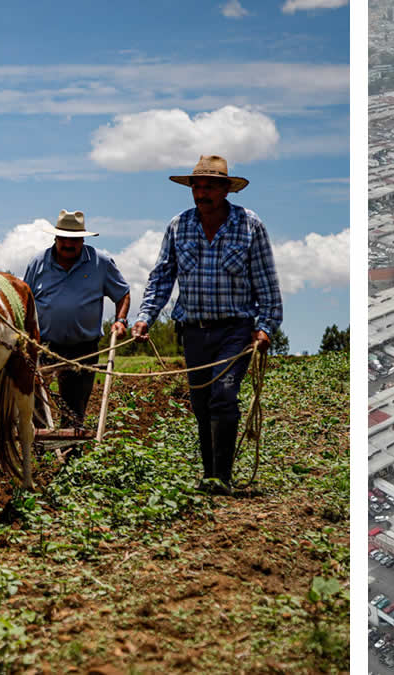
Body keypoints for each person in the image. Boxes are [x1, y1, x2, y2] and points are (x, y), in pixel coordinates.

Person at [131, 155, 282, 494]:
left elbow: (267, 280)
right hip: (195, 330)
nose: (202, 193)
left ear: (226, 189)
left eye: (210, 186)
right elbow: (162, 277)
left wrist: (267, 326)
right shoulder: (178, 226)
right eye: (197, 186)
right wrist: (144, 318)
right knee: (201, 404)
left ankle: (222, 477)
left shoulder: (248, 225)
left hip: (236, 329)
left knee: (224, 396)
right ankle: (210, 474)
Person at [24, 210, 131, 429]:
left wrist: (121, 320)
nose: (68, 244)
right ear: (55, 238)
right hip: (44, 345)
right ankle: (42, 452)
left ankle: (72, 455)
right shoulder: (38, 263)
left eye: (74, 240)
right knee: (36, 402)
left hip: (83, 349)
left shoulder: (100, 262)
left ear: (83, 240)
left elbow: (123, 294)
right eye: (63, 238)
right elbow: (25, 300)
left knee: (74, 408)